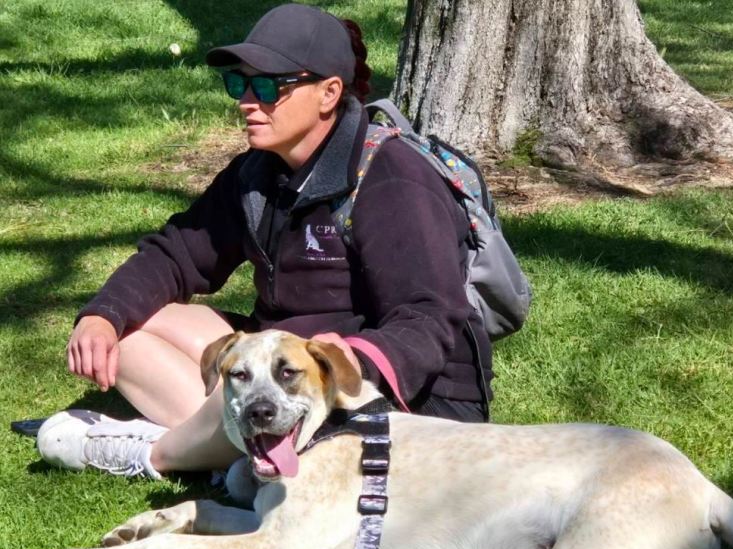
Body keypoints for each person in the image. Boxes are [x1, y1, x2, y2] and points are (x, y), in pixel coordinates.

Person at [37, 3, 492, 479]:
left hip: (405, 398)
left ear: (329, 93)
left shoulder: (392, 177)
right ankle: (233, 445)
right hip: (285, 367)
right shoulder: (257, 172)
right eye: (240, 84)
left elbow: (428, 317)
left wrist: (346, 359)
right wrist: (102, 315)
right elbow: (176, 253)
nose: (248, 101)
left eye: (270, 86)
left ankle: (156, 454)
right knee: (129, 332)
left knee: (247, 410)